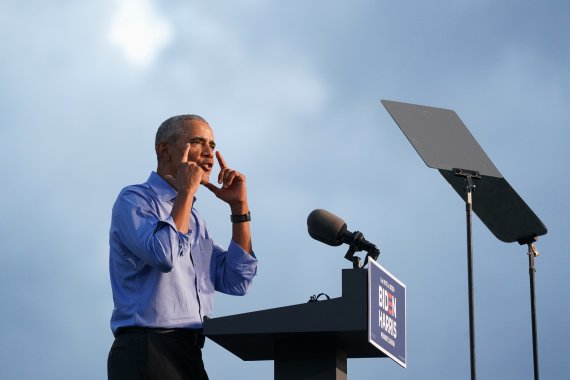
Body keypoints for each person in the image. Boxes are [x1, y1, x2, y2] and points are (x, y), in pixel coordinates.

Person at [107, 115, 258, 380]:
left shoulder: (195, 218)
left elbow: (238, 280)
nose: (209, 152)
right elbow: (163, 255)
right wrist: (186, 192)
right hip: (147, 350)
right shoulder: (134, 199)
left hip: (190, 353)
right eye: (198, 142)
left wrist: (239, 209)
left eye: (212, 144)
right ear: (164, 149)